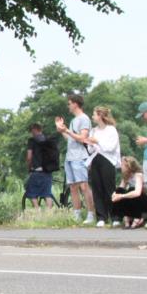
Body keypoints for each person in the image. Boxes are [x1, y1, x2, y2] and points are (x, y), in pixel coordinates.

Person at [55, 94, 96, 224]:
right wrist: (62, 130)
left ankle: (90, 214)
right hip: (70, 157)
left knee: (84, 186)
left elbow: (82, 138)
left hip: (80, 157)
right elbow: (71, 139)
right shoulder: (73, 120)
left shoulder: (84, 119)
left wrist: (67, 130)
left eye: (69, 103)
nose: (68, 106)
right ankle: (76, 214)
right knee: (72, 187)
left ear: (75, 104)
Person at [84, 106, 120, 228]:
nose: (92, 117)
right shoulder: (93, 130)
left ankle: (115, 216)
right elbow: (89, 149)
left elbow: (111, 147)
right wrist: (91, 143)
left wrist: (97, 141)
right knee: (97, 188)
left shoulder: (111, 130)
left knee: (109, 188)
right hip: (95, 159)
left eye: (94, 114)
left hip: (108, 160)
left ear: (100, 116)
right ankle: (101, 217)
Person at [111, 156, 147, 229]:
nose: (120, 167)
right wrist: (115, 194)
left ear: (128, 166)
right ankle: (123, 217)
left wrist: (121, 196)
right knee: (119, 191)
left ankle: (138, 218)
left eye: (122, 165)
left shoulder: (138, 175)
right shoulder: (126, 177)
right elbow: (120, 189)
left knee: (131, 190)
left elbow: (137, 192)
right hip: (137, 201)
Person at [24, 123, 58, 208]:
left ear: (34, 130)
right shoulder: (47, 140)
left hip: (37, 171)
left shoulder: (32, 141)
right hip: (47, 170)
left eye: (31, 131)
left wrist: (29, 168)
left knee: (31, 192)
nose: (31, 133)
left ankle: (37, 211)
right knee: (47, 194)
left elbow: (29, 157)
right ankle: (49, 215)